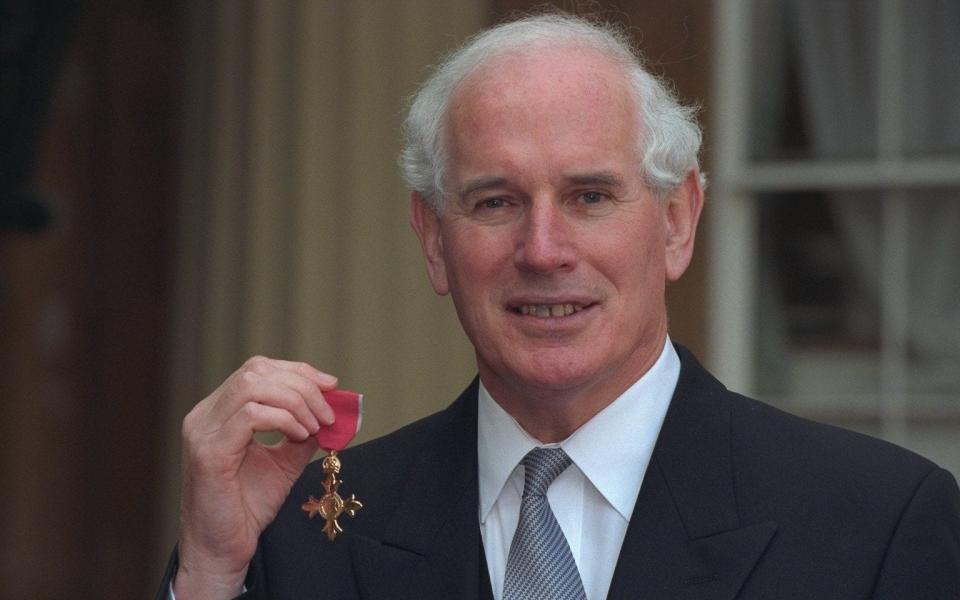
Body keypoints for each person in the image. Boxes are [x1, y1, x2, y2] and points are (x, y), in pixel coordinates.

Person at [160, 13, 960, 600]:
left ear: (677, 220)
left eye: (589, 195)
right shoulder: (299, 540)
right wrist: (207, 574)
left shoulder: (877, 525)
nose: (543, 250)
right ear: (434, 241)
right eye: (496, 202)